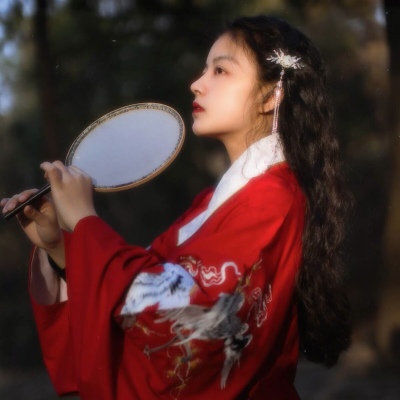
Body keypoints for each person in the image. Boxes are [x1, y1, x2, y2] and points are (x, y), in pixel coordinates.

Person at [1, 15, 351, 400]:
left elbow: (191, 316)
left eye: (220, 70)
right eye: (205, 69)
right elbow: (150, 280)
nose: (197, 83)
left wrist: (85, 220)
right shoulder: (212, 204)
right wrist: (60, 247)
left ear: (271, 96)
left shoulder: (275, 199)